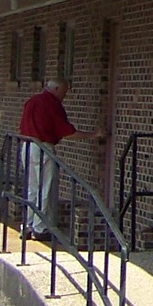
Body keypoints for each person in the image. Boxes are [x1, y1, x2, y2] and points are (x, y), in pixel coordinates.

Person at [16, 77, 101, 239]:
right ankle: (40, 228)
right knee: (45, 188)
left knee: (32, 188)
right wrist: (93, 135)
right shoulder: (52, 104)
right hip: (43, 146)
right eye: (64, 91)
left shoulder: (32, 101)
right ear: (56, 89)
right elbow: (66, 132)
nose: (65, 95)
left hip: (26, 145)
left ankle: (27, 225)